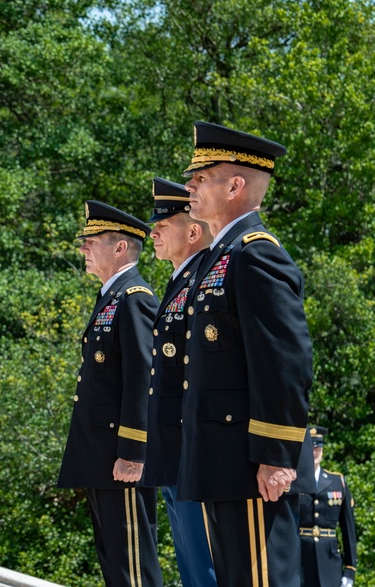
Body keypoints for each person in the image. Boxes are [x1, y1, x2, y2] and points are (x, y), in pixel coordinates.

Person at [178, 122, 314, 586]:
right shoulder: (219, 257)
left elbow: (285, 360)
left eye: (201, 178)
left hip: (250, 463)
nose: (189, 186)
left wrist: (277, 455)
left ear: (235, 185)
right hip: (220, 458)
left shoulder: (255, 255)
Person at [57, 200, 163, 587]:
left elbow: (143, 378)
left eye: (91, 240)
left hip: (121, 458)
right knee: (115, 563)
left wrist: (133, 452)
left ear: (120, 248)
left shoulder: (135, 298)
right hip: (101, 453)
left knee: (133, 564)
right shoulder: (112, 296)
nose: (83, 248)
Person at [145, 178, 216, 587]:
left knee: (207, 566)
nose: (152, 232)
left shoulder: (200, 283)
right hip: (173, 445)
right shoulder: (178, 285)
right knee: (190, 565)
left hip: (193, 445)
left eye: (162, 225)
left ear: (192, 232)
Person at [298, 426, 357, 587]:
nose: (314, 452)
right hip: (300, 561)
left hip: (330, 562)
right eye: (311, 448)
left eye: (318, 448)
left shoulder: (338, 482)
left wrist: (350, 570)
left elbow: (348, 529)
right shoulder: (294, 482)